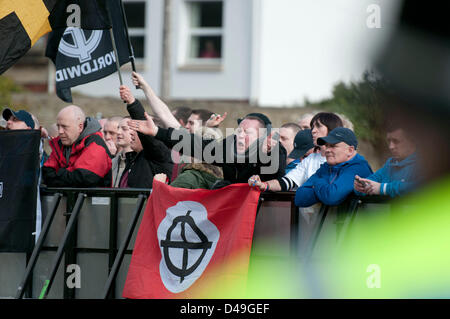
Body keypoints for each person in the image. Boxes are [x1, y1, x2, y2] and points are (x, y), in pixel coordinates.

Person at [129, 111, 287, 184]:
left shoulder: (274, 149)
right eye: (239, 130)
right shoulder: (230, 145)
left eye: (247, 132)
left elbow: (274, 173)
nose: (240, 135)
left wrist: (266, 152)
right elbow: (195, 145)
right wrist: (157, 131)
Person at [249, 112, 343, 192]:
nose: (313, 131)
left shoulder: (344, 159)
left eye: (318, 126)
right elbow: (287, 181)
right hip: (302, 213)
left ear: (332, 129)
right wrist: (263, 185)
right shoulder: (310, 160)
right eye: (312, 127)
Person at [295, 127, 372, 207]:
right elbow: (299, 199)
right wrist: (327, 188)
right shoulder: (327, 166)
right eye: (327, 146)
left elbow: (331, 197)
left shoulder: (358, 167)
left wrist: (317, 183)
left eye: (333, 146)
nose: (327, 150)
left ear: (350, 150)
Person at [42, 105, 112, 187]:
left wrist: (60, 172)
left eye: (65, 127)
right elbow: (47, 173)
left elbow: (84, 178)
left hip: (91, 199)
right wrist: (71, 172)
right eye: (58, 126)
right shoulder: (60, 143)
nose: (60, 131)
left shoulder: (95, 144)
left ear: (80, 127)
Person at [119, 86, 173, 188]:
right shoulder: (134, 157)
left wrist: (132, 103)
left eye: (137, 131)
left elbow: (148, 138)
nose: (131, 133)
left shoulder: (158, 154)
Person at [354, 125, 418, 198]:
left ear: (412, 141)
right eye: (389, 141)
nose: (391, 146)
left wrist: (383, 188)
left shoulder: (426, 165)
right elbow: (372, 181)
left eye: (396, 141)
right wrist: (361, 187)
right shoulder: (390, 164)